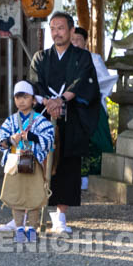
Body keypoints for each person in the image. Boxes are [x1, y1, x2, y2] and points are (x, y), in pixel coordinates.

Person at [29, 12, 101, 234]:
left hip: (71, 116)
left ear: (71, 31)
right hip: (44, 115)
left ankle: (61, 215)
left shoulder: (82, 57)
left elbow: (83, 83)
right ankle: (32, 213)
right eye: (53, 28)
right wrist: (49, 103)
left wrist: (61, 100)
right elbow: (35, 83)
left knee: (68, 165)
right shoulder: (40, 57)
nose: (56, 32)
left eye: (61, 28)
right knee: (39, 162)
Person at [0, 81, 55, 242]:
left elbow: (50, 140)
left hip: (33, 162)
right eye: (17, 97)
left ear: (33, 100)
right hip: (15, 162)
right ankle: (19, 227)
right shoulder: (11, 120)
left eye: (25, 97)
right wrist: (9, 140)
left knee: (34, 196)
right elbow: (0, 139)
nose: (21, 100)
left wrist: (32, 137)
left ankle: (33, 228)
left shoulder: (41, 120)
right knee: (16, 196)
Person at [71, 27, 116, 188]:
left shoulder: (94, 58)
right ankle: (77, 175)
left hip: (93, 105)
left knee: (97, 140)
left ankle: (98, 174)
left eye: (78, 40)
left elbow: (107, 84)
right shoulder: (65, 59)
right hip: (72, 107)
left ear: (85, 42)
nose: (75, 43)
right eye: (72, 40)